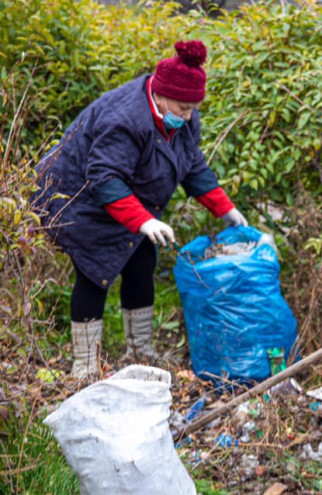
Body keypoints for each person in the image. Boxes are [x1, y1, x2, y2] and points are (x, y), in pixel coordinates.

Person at [34, 40, 248, 380]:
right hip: (79, 196)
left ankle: (140, 349)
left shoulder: (180, 114)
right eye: (183, 108)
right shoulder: (125, 119)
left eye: (193, 108)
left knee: (142, 261)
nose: (189, 116)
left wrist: (226, 209)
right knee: (94, 272)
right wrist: (144, 220)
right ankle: (85, 365)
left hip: (130, 198)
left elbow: (192, 164)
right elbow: (103, 177)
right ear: (160, 96)